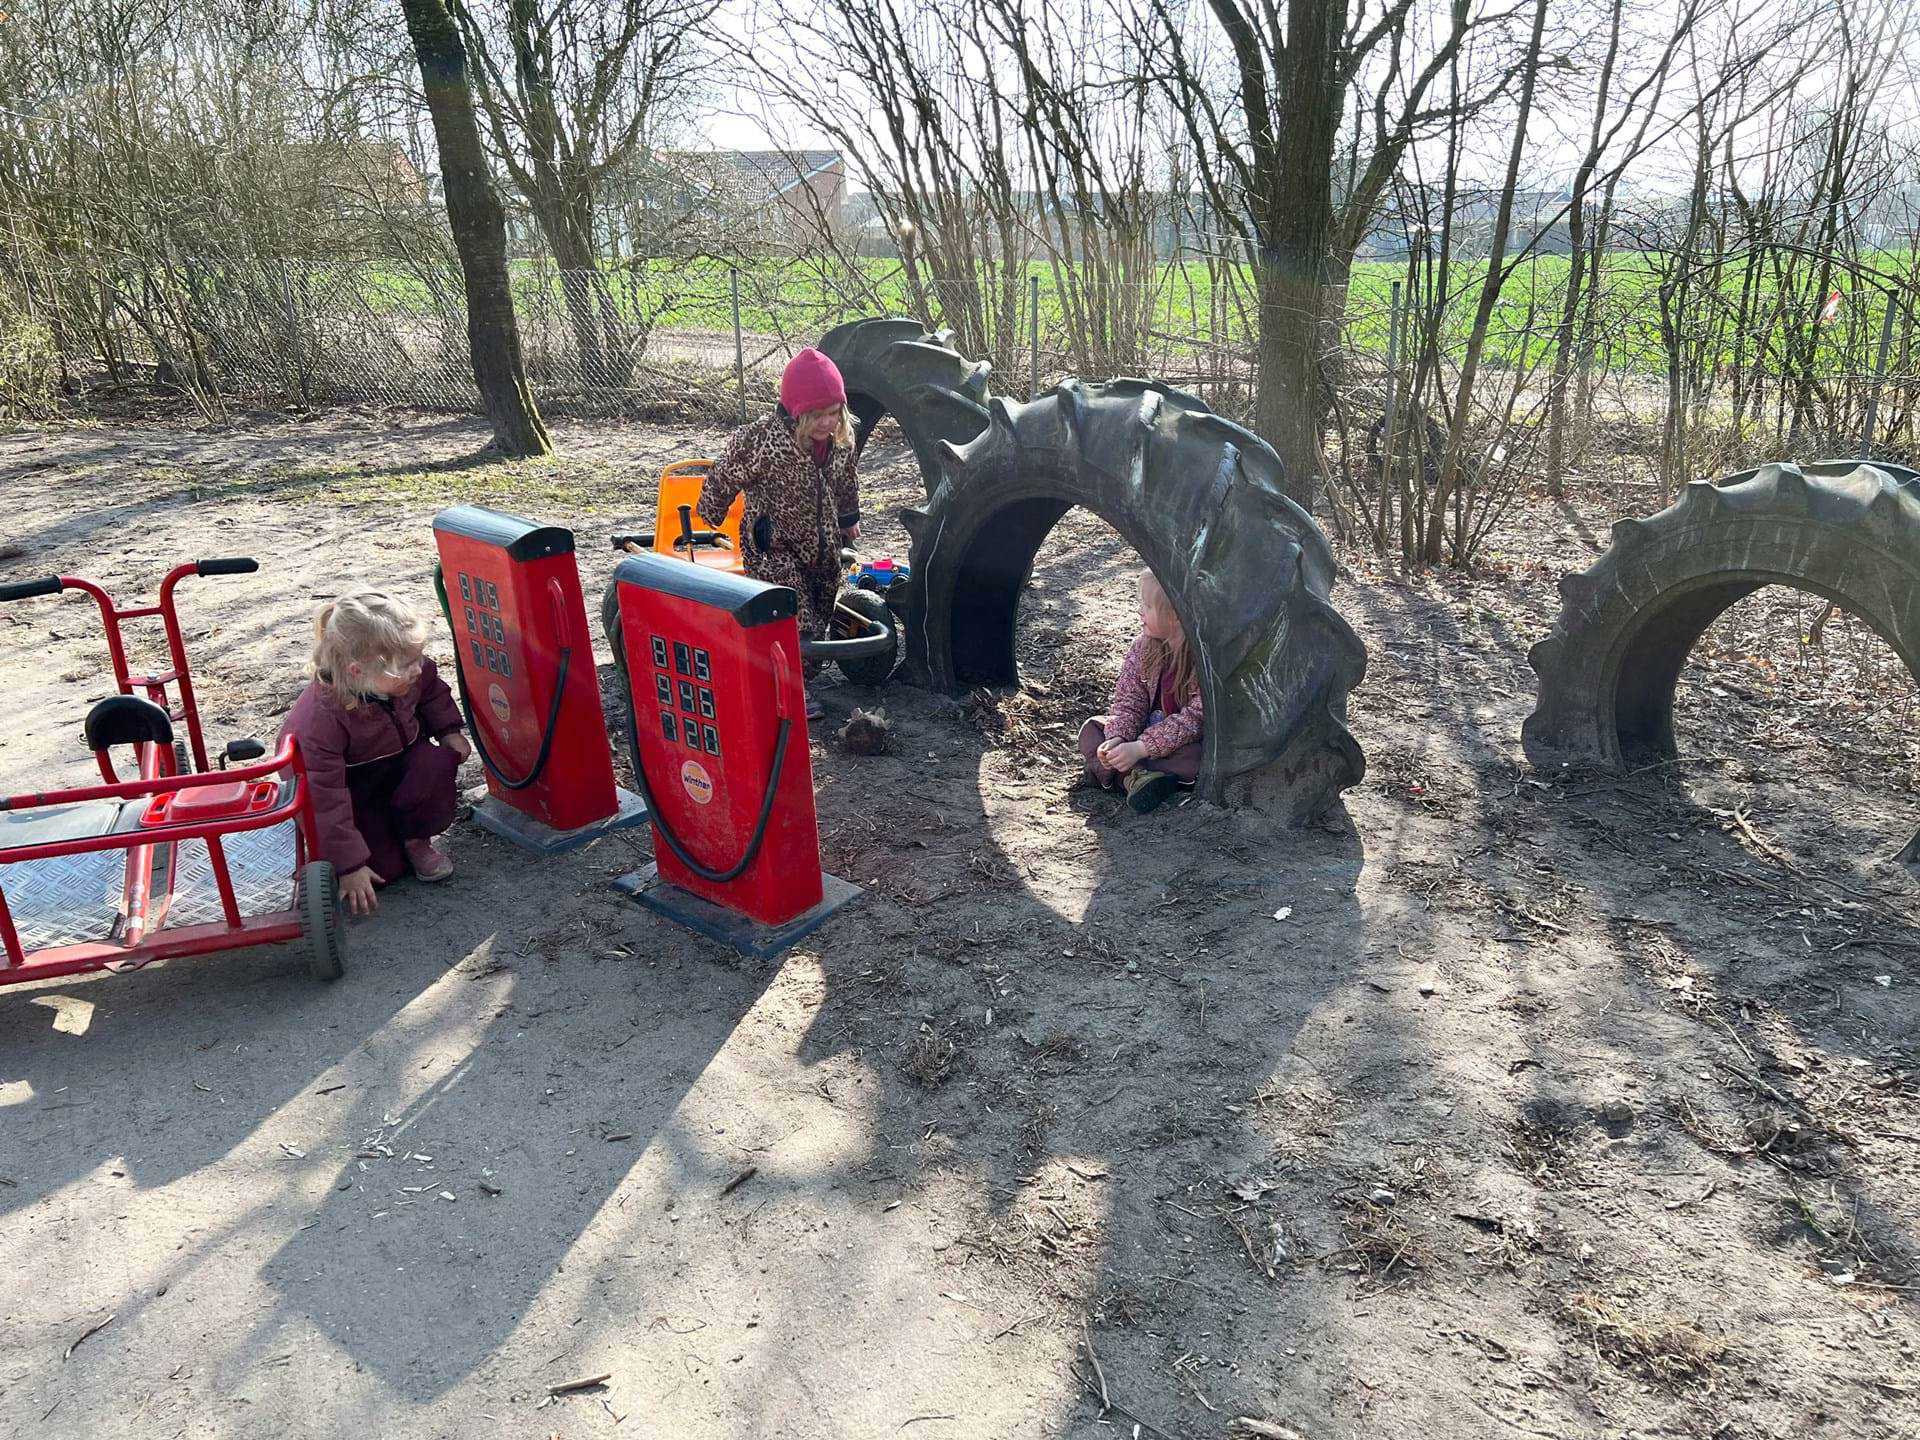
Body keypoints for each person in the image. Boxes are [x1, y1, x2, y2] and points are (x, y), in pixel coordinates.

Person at [280, 591, 472, 916]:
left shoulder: (407, 675)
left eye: (417, 657)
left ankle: (416, 838)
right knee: (384, 873)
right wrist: (349, 864)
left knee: (437, 761)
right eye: (407, 665)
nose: (417, 669)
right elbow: (321, 797)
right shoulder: (319, 720)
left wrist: (448, 731)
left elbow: (432, 691)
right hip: (354, 790)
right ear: (357, 671)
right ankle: (329, 856)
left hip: (402, 767)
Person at [697, 346, 860, 719]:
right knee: (793, 611)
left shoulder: (839, 442)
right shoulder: (762, 441)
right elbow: (725, 472)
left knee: (819, 610)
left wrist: (848, 517)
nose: (826, 423)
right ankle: (789, 690)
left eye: (834, 413)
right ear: (796, 412)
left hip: (821, 547)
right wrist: (710, 512)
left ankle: (800, 673)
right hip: (772, 545)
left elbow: (847, 481)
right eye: (816, 415)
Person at [1078, 569, 1204, 814]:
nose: (1140, 612)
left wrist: (1140, 749)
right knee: (1092, 730)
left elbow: (1195, 720)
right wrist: (1118, 739)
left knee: (1195, 756)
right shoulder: (1142, 648)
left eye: (1147, 606)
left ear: (1175, 615)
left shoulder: (1200, 661)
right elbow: (1128, 702)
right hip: (1138, 738)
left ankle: (1122, 776)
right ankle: (1137, 778)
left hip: (1174, 744)